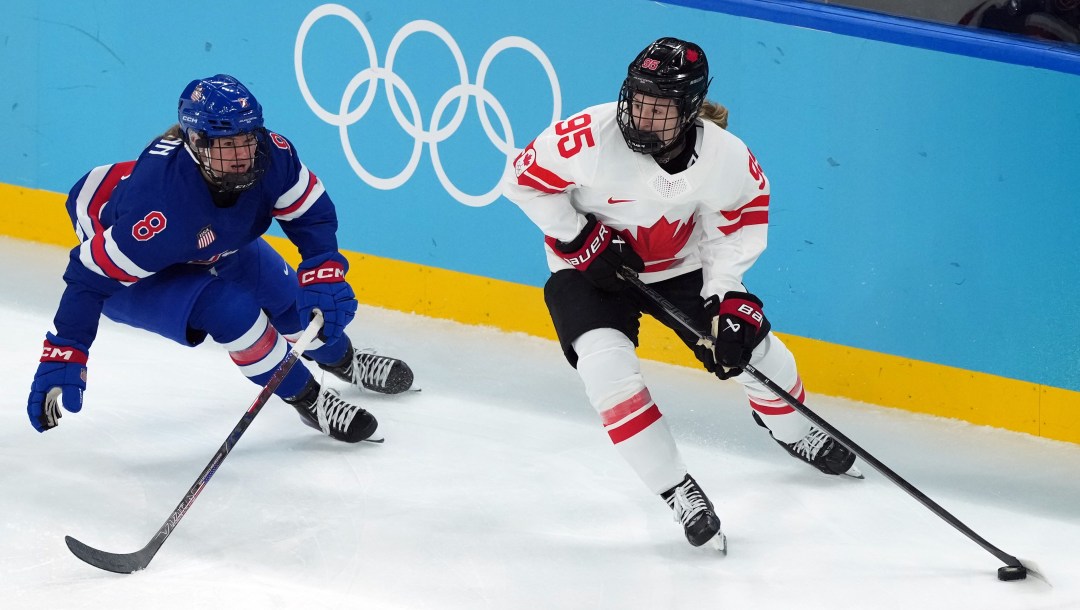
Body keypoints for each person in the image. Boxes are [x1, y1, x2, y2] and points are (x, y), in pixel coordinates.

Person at [501, 38, 860, 551]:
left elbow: (732, 229)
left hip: (681, 268)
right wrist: (579, 237)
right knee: (605, 370)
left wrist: (726, 295)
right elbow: (522, 180)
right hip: (589, 272)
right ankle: (677, 490)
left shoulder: (726, 159)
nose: (642, 116)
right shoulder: (587, 138)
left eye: (659, 106)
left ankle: (790, 430)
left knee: (753, 350)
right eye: (638, 100)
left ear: (690, 108)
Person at [27, 74, 414, 443]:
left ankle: (344, 360)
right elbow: (88, 276)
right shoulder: (159, 213)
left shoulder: (274, 157)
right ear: (195, 143)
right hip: (138, 271)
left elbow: (309, 212)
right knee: (231, 311)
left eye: (247, 139)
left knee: (290, 298)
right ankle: (309, 399)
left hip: (208, 240)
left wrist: (322, 268)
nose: (243, 155)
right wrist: (67, 348)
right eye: (227, 145)